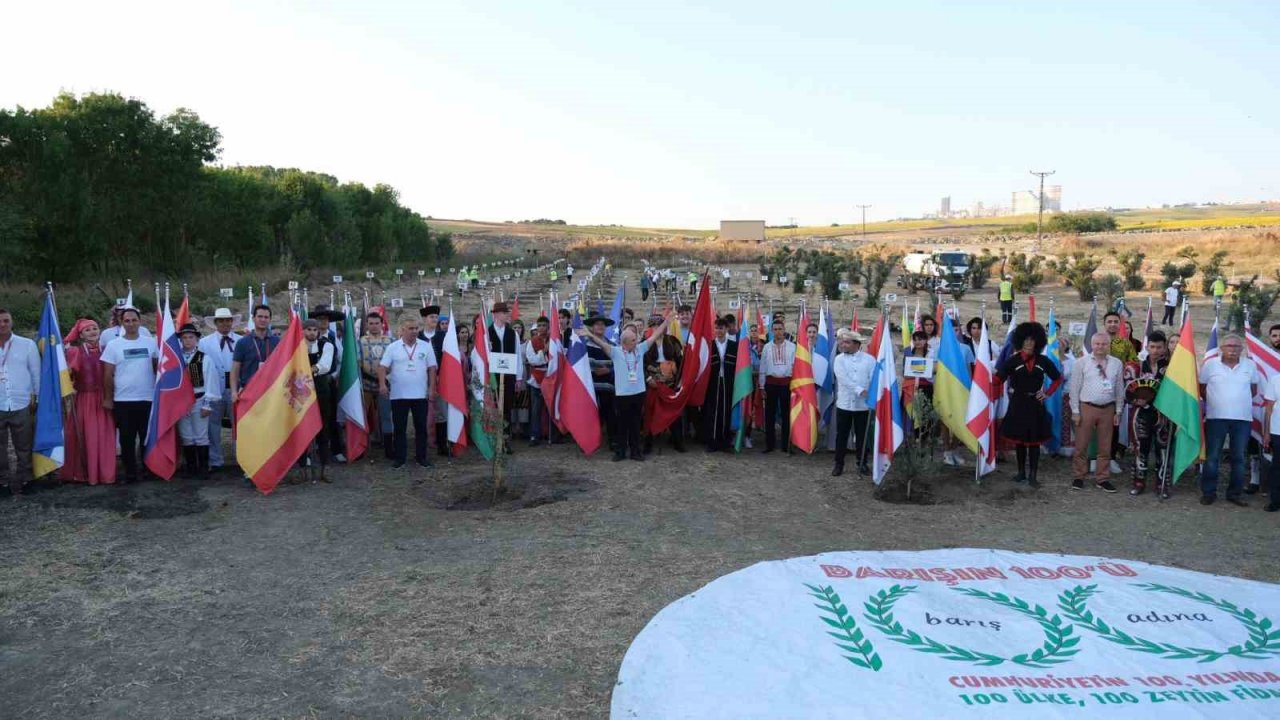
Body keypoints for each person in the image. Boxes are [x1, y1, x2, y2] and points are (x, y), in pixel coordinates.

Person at [580, 317, 669, 461]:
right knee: (622, 424)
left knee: (635, 424)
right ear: (624, 343)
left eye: (636, 339)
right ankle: (620, 452)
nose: (637, 341)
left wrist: (666, 322)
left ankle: (635, 452)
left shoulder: (640, 349)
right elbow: (601, 343)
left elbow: (655, 335)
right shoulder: (615, 352)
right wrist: (589, 335)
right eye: (633, 340)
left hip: (638, 393)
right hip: (622, 395)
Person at [994, 322, 1063, 487]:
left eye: (1032, 340)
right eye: (1026, 339)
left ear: (1038, 341)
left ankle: (1033, 475)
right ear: (1020, 341)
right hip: (1018, 403)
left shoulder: (1044, 361)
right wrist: (981, 381)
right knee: (1019, 441)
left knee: (1034, 442)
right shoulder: (1013, 361)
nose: (1029, 343)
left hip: (1035, 405)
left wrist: (1047, 393)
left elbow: (1058, 378)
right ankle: (1020, 473)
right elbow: (998, 380)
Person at [1198, 334, 1258, 506]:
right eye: (1229, 346)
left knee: (1238, 457)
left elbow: (1253, 390)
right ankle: (1209, 492)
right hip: (1216, 418)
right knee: (1212, 456)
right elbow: (1202, 389)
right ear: (1221, 348)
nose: (1233, 349)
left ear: (1242, 349)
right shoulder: (1210, 365)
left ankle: (1234, 493)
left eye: (1237, 346)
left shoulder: (1250, 365)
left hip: (1242, 419)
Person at [101, 307, 158, 484]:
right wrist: (108, 398)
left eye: (134, 320)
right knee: (127, 440)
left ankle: (148, 469)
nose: (131, 324)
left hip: (147, 398)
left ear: (140, 321)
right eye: (127, 321)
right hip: (123, 400)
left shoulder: (150, 343)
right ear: (121, 322)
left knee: (146, 438)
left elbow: (158, 369)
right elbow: (107, 374)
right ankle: (130, 473)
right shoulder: (113, 345)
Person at [61, 318, 116, 485]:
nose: (92, 332)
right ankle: (84, 472)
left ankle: (105, 472)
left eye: (95, 328)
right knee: (88, 434)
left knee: (106, 435)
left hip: (105, 396)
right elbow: (69, 374)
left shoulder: (107, 349)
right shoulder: (75, 352)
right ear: (81, 335)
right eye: (87, 330)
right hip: (86, 399)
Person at [378, 315, 438, 470]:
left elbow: (432, 368)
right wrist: (382, 384)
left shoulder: (425, 346)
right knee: (399, 428)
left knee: (421, 428)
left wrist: (431, 388)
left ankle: (421, 457)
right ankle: (400, 458)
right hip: (399, 395)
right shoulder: (393, 347)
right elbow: (382, 367)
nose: (414, 331)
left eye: (416, 328)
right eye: (410, 328)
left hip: (420, 395)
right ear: (402, 330)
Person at [1069, 332, 1125, 492]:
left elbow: (1119, 388)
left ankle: (1102, 478)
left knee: (1105, 446)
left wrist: (1118, 411)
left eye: (1104, 344)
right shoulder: (1081, 363)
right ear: (1092, 345)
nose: (1100, 347)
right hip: (1086, 407)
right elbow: (1074, 388)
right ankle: (1079, 476)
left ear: (1109, 345)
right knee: (1081, 445)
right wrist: (1075, 411)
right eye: (1097, 344)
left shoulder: (1116, 363)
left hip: (1108, 408)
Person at [1125, 330, 1172, 498]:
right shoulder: (1136, 367)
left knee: (1163, 450)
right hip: (1141, 415)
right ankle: (1139, 482)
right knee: (1140, 448)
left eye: (1159, 347)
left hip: (1163, 415)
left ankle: (1162, 484)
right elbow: (1128, 390)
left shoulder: (1172, 368)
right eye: (1152, 347)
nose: (1156, 350)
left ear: (1164, 347)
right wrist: (1135, 400)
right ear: (1147, 346)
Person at [0, 308, 41, 494]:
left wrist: (37, 396)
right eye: (0, 321)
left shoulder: (27, 345)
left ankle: (26, 479)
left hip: (22, 401)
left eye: (6, 320)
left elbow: (35, 372)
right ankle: (3, 483)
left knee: (24, 445)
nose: (2, 325)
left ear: (12, 321)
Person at [197, 308, 240, 473]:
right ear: (215, 323)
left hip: (235, 388)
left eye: (228, 320)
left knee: (238, 425)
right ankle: (215, 460)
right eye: (221, 321)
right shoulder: (204, 343)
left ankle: (240, 457)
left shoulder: (241, 340)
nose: (225, 324)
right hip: (213, 389)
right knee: (212, 426)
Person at [177, 323, 219, 478]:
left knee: (200, 434)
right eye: (184, 338)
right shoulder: (176, 357)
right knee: (186, 434)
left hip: (199, 399)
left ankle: (202, 467)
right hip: (181, 402)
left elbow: (211, 380)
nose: (187, 341)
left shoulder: (204, 358)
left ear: (196, 339)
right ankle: (191, 467)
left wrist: (208, 403)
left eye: (191, 337)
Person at [832, 331, 875, 477]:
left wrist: (868, 391)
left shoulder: (869, 360)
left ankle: (862, 462)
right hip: (844, 404)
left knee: (862, 435)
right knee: (842, 435)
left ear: (856, 344)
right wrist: (859, 389)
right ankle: (839, 464)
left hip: (862, 405)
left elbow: (873, 378)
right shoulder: (839, 359)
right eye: (842, 342)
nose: (843, 345)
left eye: (847, 342)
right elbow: (842, 379)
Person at [643, 313, 686, 453]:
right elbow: (639, 363)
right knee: (650, 412)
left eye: (659, 325)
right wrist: (648, 379)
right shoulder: (645, 343)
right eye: (654, 325)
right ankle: (648, 442)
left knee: (674, 413)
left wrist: (680, 380)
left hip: (670, 383)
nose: (657, 328)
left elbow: (681, 362)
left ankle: (677, 440)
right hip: (653, 382)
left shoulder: (673, 341)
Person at [302, 318, 338, 469]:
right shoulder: (297, 346)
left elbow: (325, 365)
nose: (312, 332)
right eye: (309, 329)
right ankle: (303, 461)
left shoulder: (327, 345)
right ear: (303, 330)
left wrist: (309, 369)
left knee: (323, 423)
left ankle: (324, 463)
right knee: (302, 424)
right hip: (301, 389)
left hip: (321, 388)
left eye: (314, 330)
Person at [487, 302, 524, 449]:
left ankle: (505, 440)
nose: (506, 315)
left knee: (506, 408)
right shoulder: (487, 333)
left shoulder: (512, 333)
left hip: (508, 375)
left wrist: (518, 376)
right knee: (494, 407)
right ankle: (494, 439)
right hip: (493, 375)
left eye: (506, 312)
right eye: (503, 312)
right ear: (495, 314)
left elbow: (517, 355)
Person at [359, 312, 394, 458]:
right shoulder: (360, 341)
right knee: (362, 415)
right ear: (367, 324)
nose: (374, 326)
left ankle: (388, 447)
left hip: (385, 384)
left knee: (386, 415)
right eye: (371, 323)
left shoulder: (390, 341)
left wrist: (386, 379)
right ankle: (360, 446)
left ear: (382, 324)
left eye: (376, 323)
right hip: (366, 383)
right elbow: (356, 362)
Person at [230, 304, 280, 405]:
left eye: (266, 317)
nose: (263, 319)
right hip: (248, 392)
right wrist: (234, 392)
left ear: (270, 320)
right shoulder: (242, 342)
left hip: (271, 392)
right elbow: (235, 369)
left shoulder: (277, 342)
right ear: (253, 318)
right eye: (260, 316)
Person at [759, 318, 796, 453]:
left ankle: (786, 444)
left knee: (787, 415)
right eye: (775, 329)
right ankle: (769, 444)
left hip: (786, 384)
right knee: (770, 415)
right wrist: (762, 387)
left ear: (784, 330)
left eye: (780, 329)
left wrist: (794, 385)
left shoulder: (792, 347)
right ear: (772, 331)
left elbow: (795, 366)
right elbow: (763, 366)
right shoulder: (767, 347)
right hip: (771, 383)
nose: (778, 332)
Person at [701, 316, 737, 452]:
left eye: (721, 328)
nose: (719, 331)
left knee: (726, 410)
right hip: (713, 383)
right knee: (713, 411)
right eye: (716, 328)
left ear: (727, 329)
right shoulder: (710, 346)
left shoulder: (734, 346)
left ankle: (725, 442)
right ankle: (712, 441)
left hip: (728, 382)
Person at [585, 315, 619, 451]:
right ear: (592, 327)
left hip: (607, 384)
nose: (600, 326)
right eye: (597, 324)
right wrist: (594, 370)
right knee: (590, 414)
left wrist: (609, 369)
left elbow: (618, 363)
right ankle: (589, 441)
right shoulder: (584, 345)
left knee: (610, 413)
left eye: (602, 324)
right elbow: (580, 365)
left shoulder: (611, 345)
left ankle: (613, 441)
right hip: (589, 385)